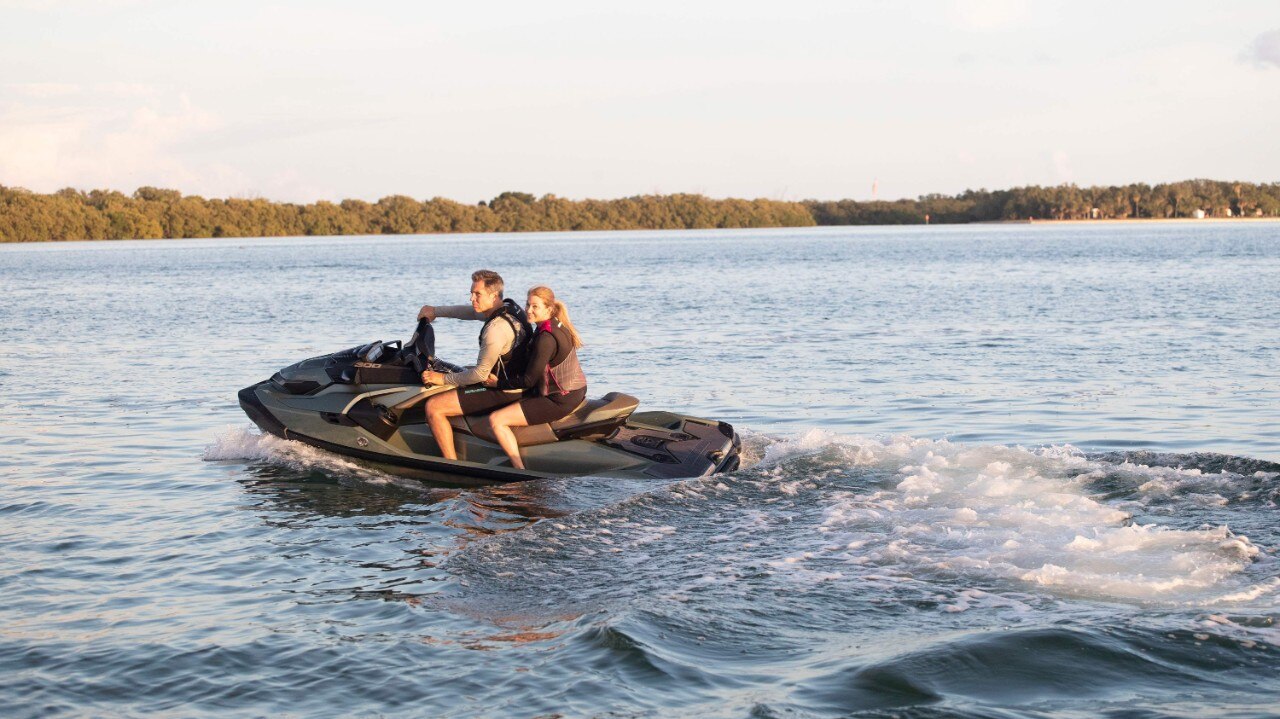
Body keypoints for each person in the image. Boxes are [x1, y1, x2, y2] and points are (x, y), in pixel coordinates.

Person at [419, 269, 531, 460]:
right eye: (471, 293)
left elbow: (479, 375)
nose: (472, 298)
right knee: (465, 370)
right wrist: (436, 311)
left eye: (477, 294)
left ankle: (451, 464)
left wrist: (442, 378)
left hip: (503, 389)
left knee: (434, 406)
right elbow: (470, 312)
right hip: (515, 380)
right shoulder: (510, 308)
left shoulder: (495, 329)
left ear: (494, 295)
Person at [483, 286, 587, 470]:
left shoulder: (545, 338)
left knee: (496, 420)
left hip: (559, 400)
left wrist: (497, 383)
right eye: (527, 305)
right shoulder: (557, 325)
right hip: (575, 391)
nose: (528, 310)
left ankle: (518, 469)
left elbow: (528, 380)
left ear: (548, 309)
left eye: (535, 307)